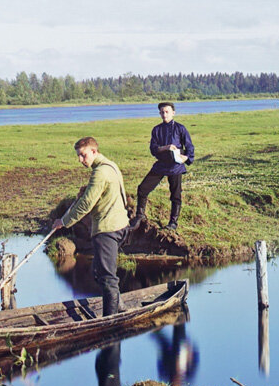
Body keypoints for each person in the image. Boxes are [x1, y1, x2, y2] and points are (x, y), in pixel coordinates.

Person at [51, 136, 130, 316]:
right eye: (78, 156)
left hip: (108, 230)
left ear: (94, 151)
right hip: (120, 226)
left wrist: (64, 222)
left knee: (107, 277)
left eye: (83, 155)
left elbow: (86, 204)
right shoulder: (111, 165)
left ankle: (110, 319)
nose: (80, 160)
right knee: (98, 271)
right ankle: (120, 306)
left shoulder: (100, 173)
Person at [131, 101, 194, 232]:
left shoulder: (180, 128)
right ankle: (140, 216)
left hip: (175, 166)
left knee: (176, 195)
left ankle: (173, 222)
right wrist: (166, 147)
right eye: (162, 112)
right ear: (159, 113)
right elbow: (153, 149)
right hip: (161, 165)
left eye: (167, 112)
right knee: (142, 189)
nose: (164, 114)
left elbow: (189, 146)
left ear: (173, 113)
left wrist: (186, 157)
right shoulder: (156, 129)